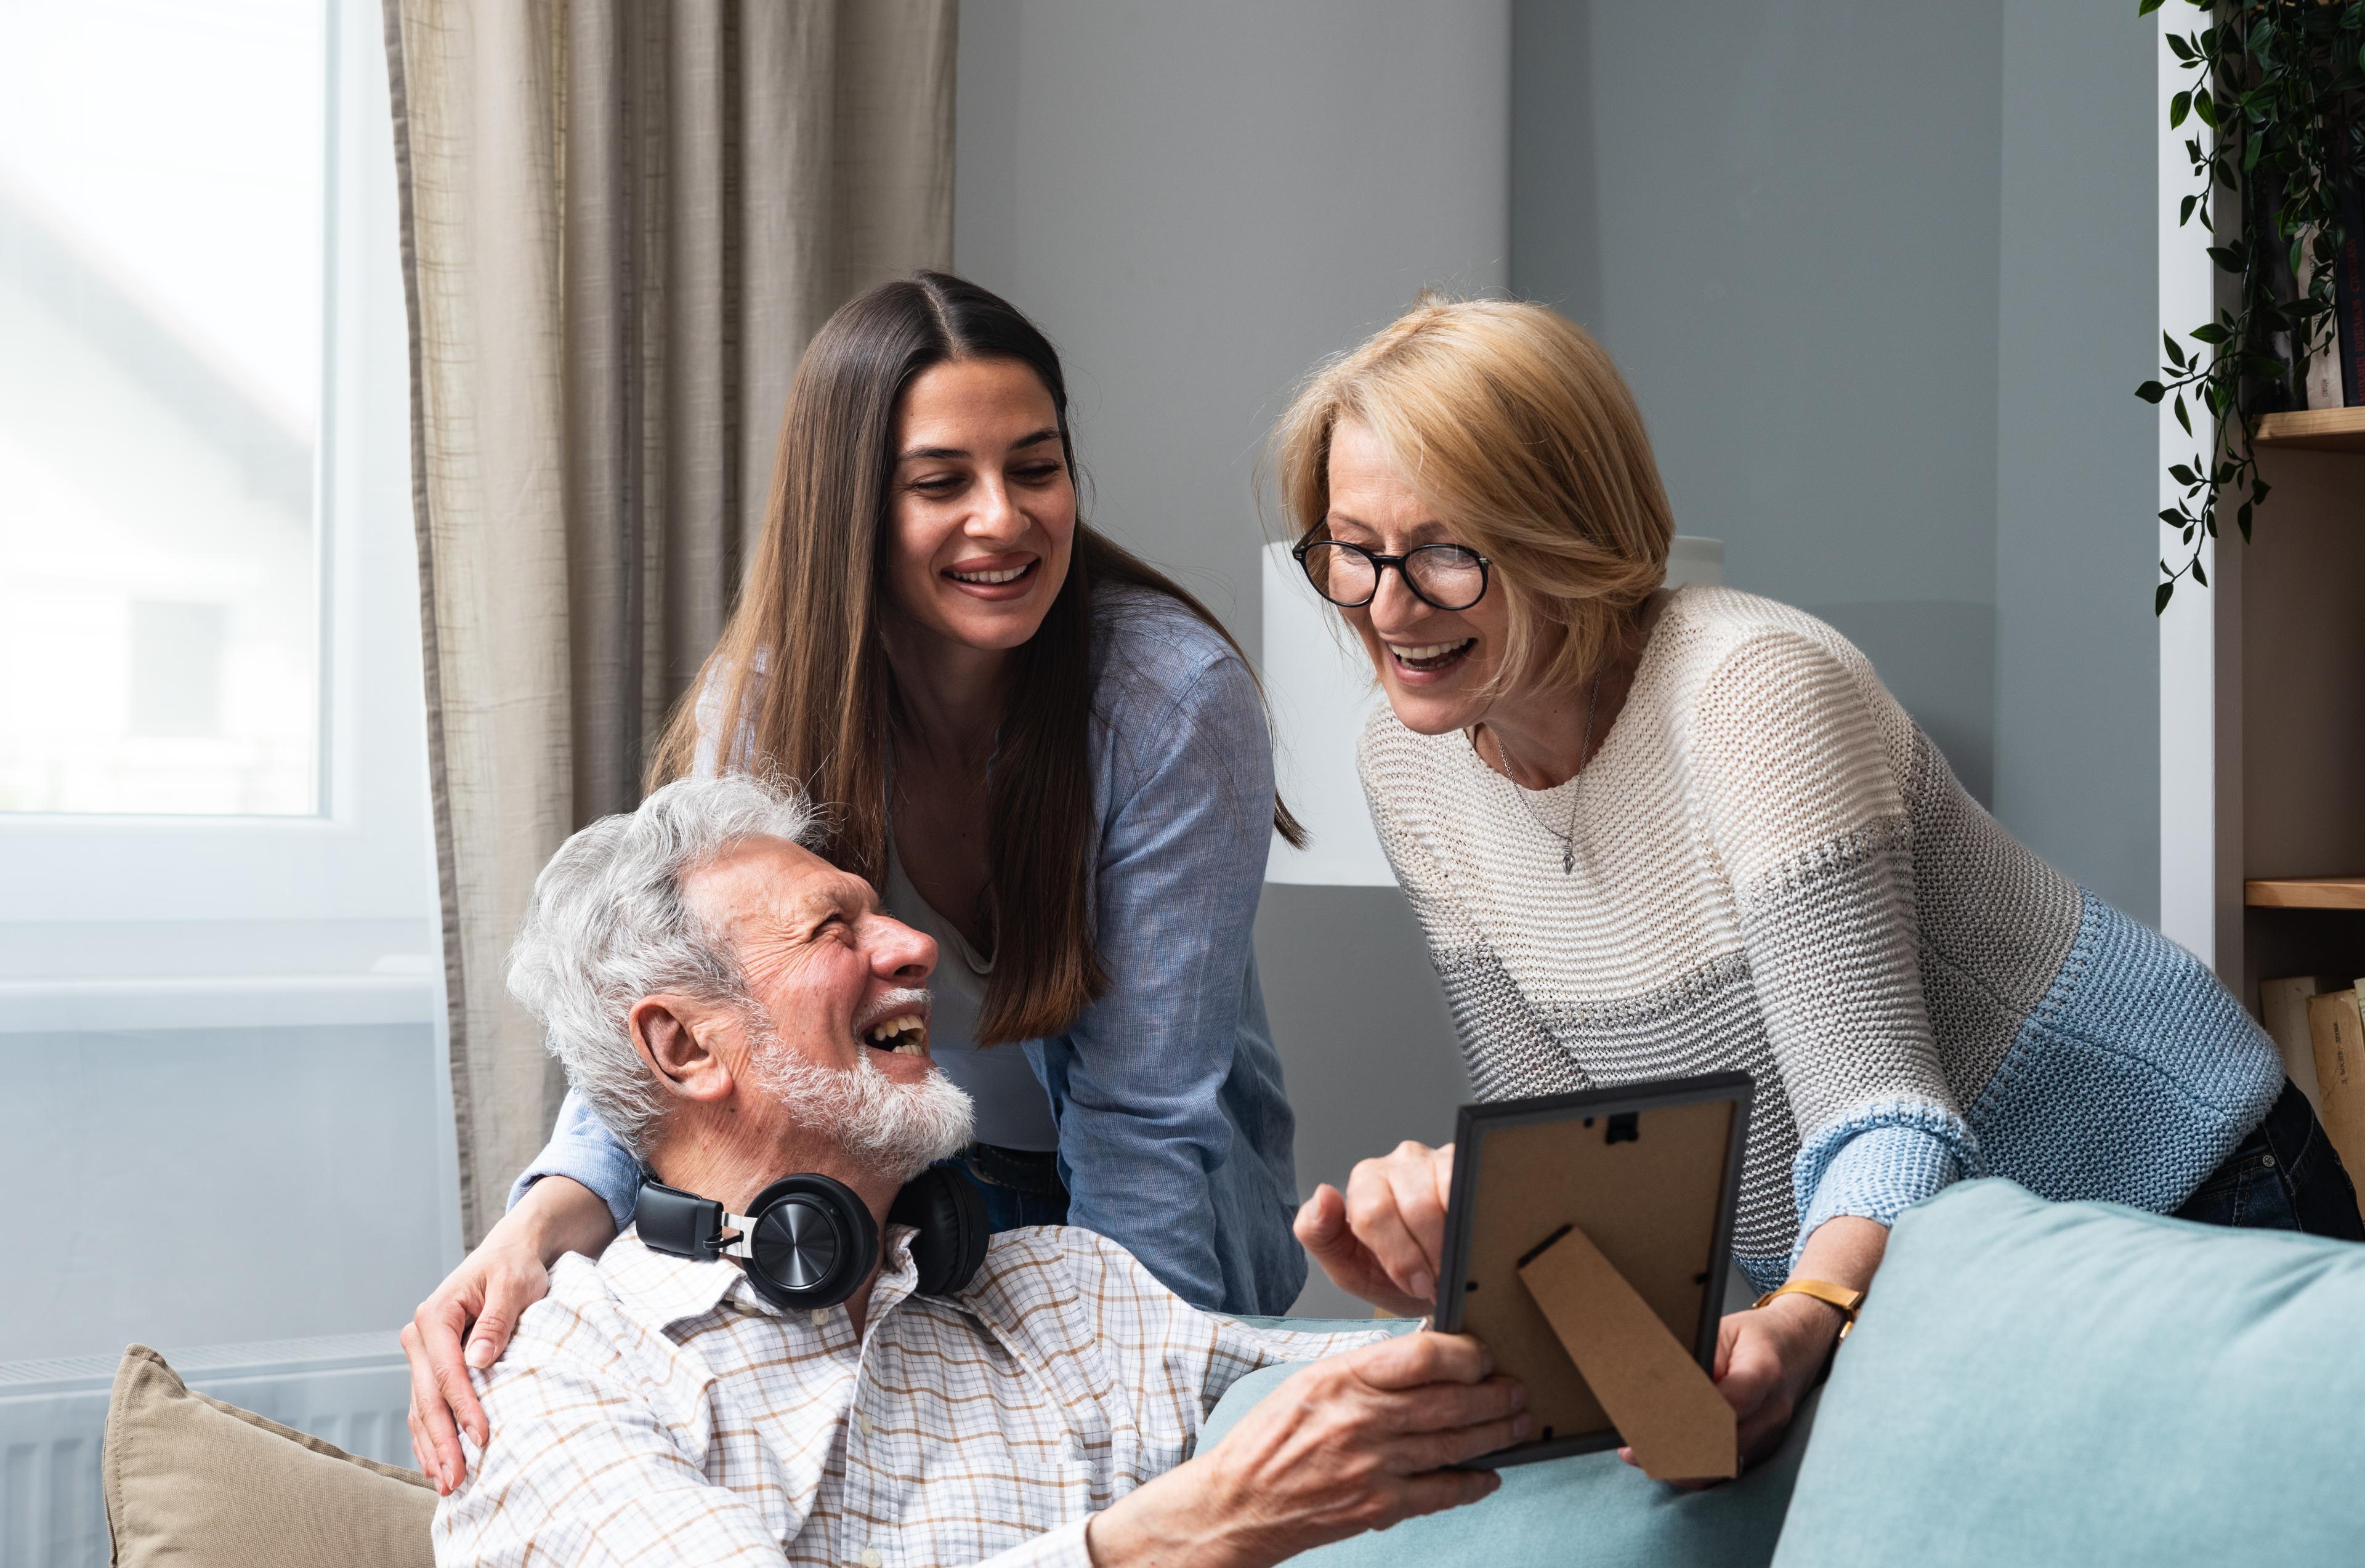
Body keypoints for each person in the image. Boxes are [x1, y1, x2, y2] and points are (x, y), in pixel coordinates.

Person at [1274, 296, 2364, 1478]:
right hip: (1916, 1258)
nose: (1386, 607)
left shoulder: (1752, 691)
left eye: (1442, 553)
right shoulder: (1409, 767)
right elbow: (1589, 1155)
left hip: (2173, 1191)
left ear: (1567, 535)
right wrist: (1478, 1264)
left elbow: (1883, 1115)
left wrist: (1802, 1324)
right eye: (1350, 547)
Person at [406, 273, 1308, 1492]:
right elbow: (675, 996)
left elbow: (1145, 1119)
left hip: (1130, 1197)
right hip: (887, 1191)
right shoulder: (770, 701)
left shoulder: (1172, 702)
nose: (1004, 519)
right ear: (854, 508)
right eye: (942, 482)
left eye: (1036, 467)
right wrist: (537, 1223)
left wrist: (1155, 1445)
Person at [427, 774, 1526, 1568]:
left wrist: (1470, 1279)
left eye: (883, 912)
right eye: (832, 930)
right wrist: (1177, 1534)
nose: (915, 948)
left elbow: (1444, 1412)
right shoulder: (555, 1378)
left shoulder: (1070, 1294)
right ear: (684, 1047)